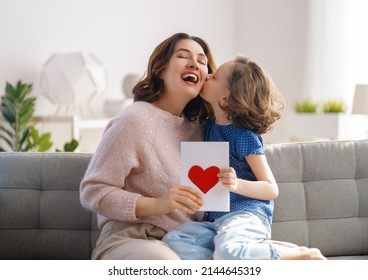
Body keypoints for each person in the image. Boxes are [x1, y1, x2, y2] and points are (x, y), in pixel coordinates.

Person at [163, 55, 326, 260]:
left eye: (215, 77)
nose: (208, 76)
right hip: (217, 222)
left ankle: (299, 255)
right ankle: (244, 256)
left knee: (227, 252)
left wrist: (236, 184)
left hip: (246, 216)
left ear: (226, 98)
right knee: (174, 241)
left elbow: (270, 189)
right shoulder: (210, 126)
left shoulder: (244, 135)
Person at [79, 32, 216, 260]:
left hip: (190, 241)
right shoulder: (134, 119)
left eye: (202, 61)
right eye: (183, 56)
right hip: (133, 238)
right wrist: (156, 204)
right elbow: (93, 191)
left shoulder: (204, 130)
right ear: (161, 70)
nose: (194, 63)